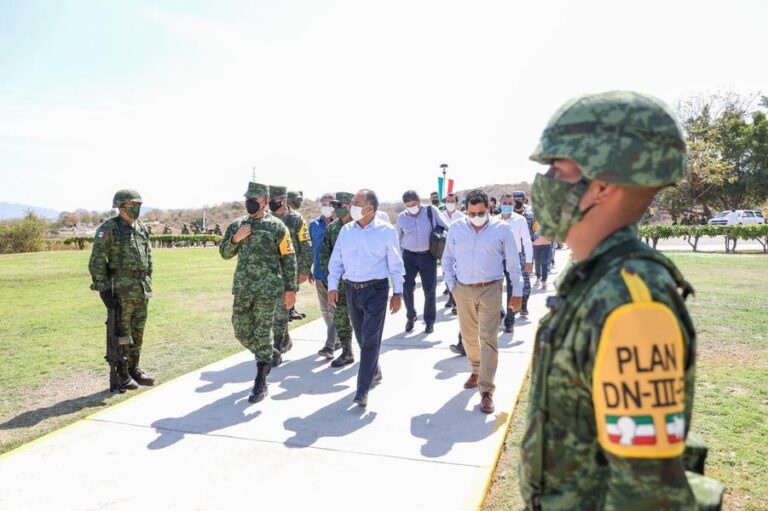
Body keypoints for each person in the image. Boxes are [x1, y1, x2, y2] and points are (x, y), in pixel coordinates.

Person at [519, 91, 710, 509]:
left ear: (601, 186)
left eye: (556, 170)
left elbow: (645, 495)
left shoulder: (633, 303)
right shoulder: (593, 278)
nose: (543, 185)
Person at [442, 189, 522, 414]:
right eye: (471, 212)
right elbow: (447, 259)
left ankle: (486, 390)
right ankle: (476, 369)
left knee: (488, 337)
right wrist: (453, 287)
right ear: (465, 210)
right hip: (463, 289)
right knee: (468, 336)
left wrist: (516, 293)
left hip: (491, 289)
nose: (476, 216)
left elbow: (513, 264)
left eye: (480, 212)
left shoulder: (502, 229)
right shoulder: (457, 228)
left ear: (488, 208)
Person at [220, 182, 297, 403]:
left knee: (263, 332)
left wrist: (290, 289)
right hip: (243, 288)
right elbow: (224, 253)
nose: (249, 202)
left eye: (254, 198)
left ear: (265, 200)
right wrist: (236, 239)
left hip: (268, 290)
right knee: (241, 331)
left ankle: (260, 381)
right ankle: (269, 354)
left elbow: (289, 259)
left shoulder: (277, 227)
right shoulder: (237, 225)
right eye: (247, 198)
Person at [327, 189, 405, 407]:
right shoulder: (346, 231)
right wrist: (333, 287)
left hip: (376, 290)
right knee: (363, 339)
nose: (351, 206)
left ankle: (362, 390)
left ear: (370, 208)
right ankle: (375, 370)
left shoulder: (386, 231)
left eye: (356, 203)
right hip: (352, 290)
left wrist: (397, 293)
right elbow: (336, 261)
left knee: (371, 340)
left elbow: (396, 265)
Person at [89, 189, 155, 390]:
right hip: (121, 290)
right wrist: (104, 290)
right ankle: (122, 373)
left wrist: (148, 280)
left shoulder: (142, 228)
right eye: (131, 205)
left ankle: (135, 368)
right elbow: (97, 260)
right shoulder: (108, 228)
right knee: (122, 333)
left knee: (138, 331)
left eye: (138, 205)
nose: (136, 208)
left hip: (141, 288)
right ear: (120, 206)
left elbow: (148, 257)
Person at [396, 190, 450, 334]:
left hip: (428, 255)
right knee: (406, 287)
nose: (411, 207)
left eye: (413, 204)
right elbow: (397, 240)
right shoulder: (402, 218)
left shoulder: (431, 212)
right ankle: (411, 316)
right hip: (409, 256)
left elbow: (447, 227)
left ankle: (429, 322)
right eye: (408, 205)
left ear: (419, 202)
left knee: (429, 289)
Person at [269, 185, 312, 359]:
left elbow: (306, 245)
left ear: (284, 200)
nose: (270, 203)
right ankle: (284, 339)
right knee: (275, 309)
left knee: (282, 308)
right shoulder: (266, 218)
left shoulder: (297, 219)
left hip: (290, 271)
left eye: (274, 200)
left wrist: (304, 270)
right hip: (270, 272)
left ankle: (278, 347)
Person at [319, 192, 356, 366]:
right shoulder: (332, 228)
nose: (337, 209)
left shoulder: (360, 226)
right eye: (335, 206)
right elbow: (325, 253)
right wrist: (331, 276)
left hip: (359, 282)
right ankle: (347, 352)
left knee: (362, 321)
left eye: (340, 205)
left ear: (350, 205)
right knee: (340, 319)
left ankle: (371, 359)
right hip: (339, 284)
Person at [309, 193, 340, 358]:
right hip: (319, 273)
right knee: (324, 310)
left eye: (329, 204)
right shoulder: (313, 225)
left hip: (336, 275)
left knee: (333, 309)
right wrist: (307, 268)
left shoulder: (341, 225)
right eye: (323, 204)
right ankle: (337, 339)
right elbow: (309, 248)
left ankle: (329, 346)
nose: (326, 206)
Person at [498, 193, 533, 334]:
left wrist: (529, 261)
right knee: (494, 287)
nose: (507, 205)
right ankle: (500, 311)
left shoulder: (520, 220)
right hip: (498, 258)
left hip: (515, 257)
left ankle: (509, 321)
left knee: (513, 290)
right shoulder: (494, 220)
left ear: (513, 205)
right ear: (500, 204)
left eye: (509, 203)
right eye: (504, 203)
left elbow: (527, 241)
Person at [441, 193, 465, 314]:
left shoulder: (461, 216)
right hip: (444, 249)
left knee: (457, 274)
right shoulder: (441, 216)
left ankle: (456, 301)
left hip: (458, 249)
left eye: (452, 201)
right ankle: (451, 296)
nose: (450, 203)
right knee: (447, 273)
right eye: (448, 201)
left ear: (456, 203)